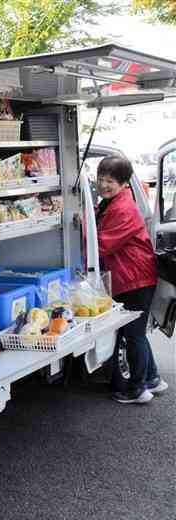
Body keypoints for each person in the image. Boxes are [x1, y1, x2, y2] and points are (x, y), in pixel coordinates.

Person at [95, 156, 167, 404]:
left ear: (124, 183)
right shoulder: (113, 201)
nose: (103, 185)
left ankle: (137, 389)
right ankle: (153, 378)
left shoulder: (122, 209)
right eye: (101, 179)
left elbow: (103, 245)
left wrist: (80, 233)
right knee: (135, 333)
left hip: (134, 279)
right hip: (134, 276)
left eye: (110, 181)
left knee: (133, 334)